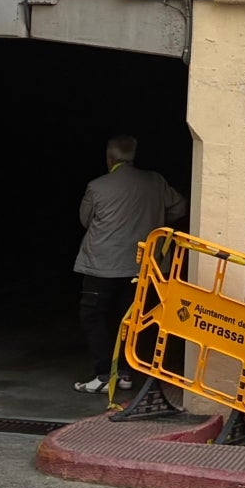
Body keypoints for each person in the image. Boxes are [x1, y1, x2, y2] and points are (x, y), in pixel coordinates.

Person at [71, 135, 186, 394]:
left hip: (103, 264)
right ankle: (124, 372)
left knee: (92, 315)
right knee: (131, 318)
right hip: (142, 266)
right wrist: (153, 218)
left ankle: (102, 374)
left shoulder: (97, 186)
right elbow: (180, 207)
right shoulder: (155, 182)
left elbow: (85, 220)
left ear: (109, 158)